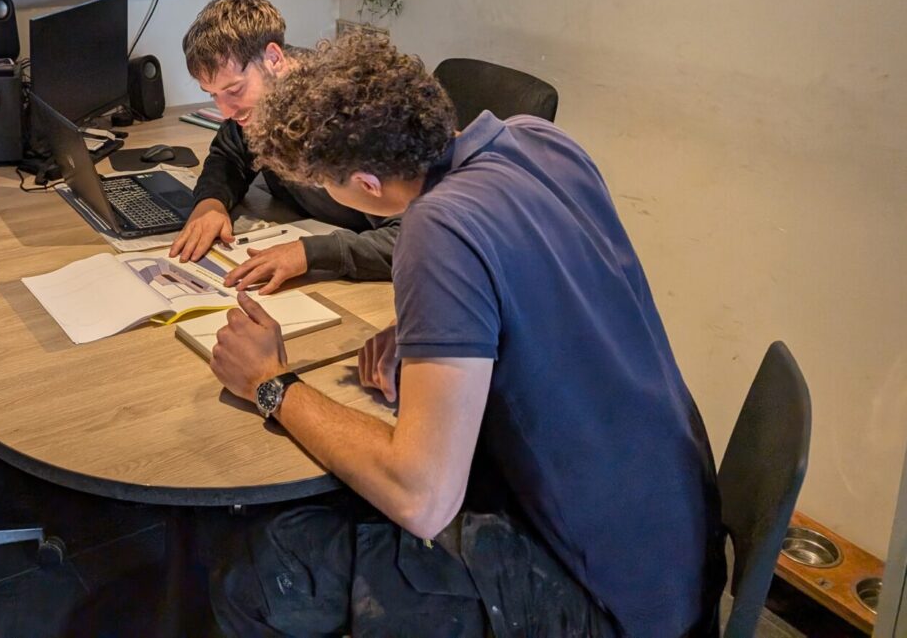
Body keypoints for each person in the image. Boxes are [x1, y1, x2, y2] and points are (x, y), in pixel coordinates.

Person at [208, 33, 724, 637]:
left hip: (608, 602)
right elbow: (540, 276)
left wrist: (270, 383)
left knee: (265, 574)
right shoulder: (538, 140)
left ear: (367, 184)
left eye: (327, 183)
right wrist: (432, 324)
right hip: (678, 548)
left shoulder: (436, 225)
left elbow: (421, 498)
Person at [168, 0, 399, 293]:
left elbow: (411, 238)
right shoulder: (258, 105)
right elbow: (230, 154)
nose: (225, 111)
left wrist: (308, 253)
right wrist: (211, 202)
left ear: (274, 58)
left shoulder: (350, 113)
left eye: (234, 90)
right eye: (214, 95)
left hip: (373, 286)